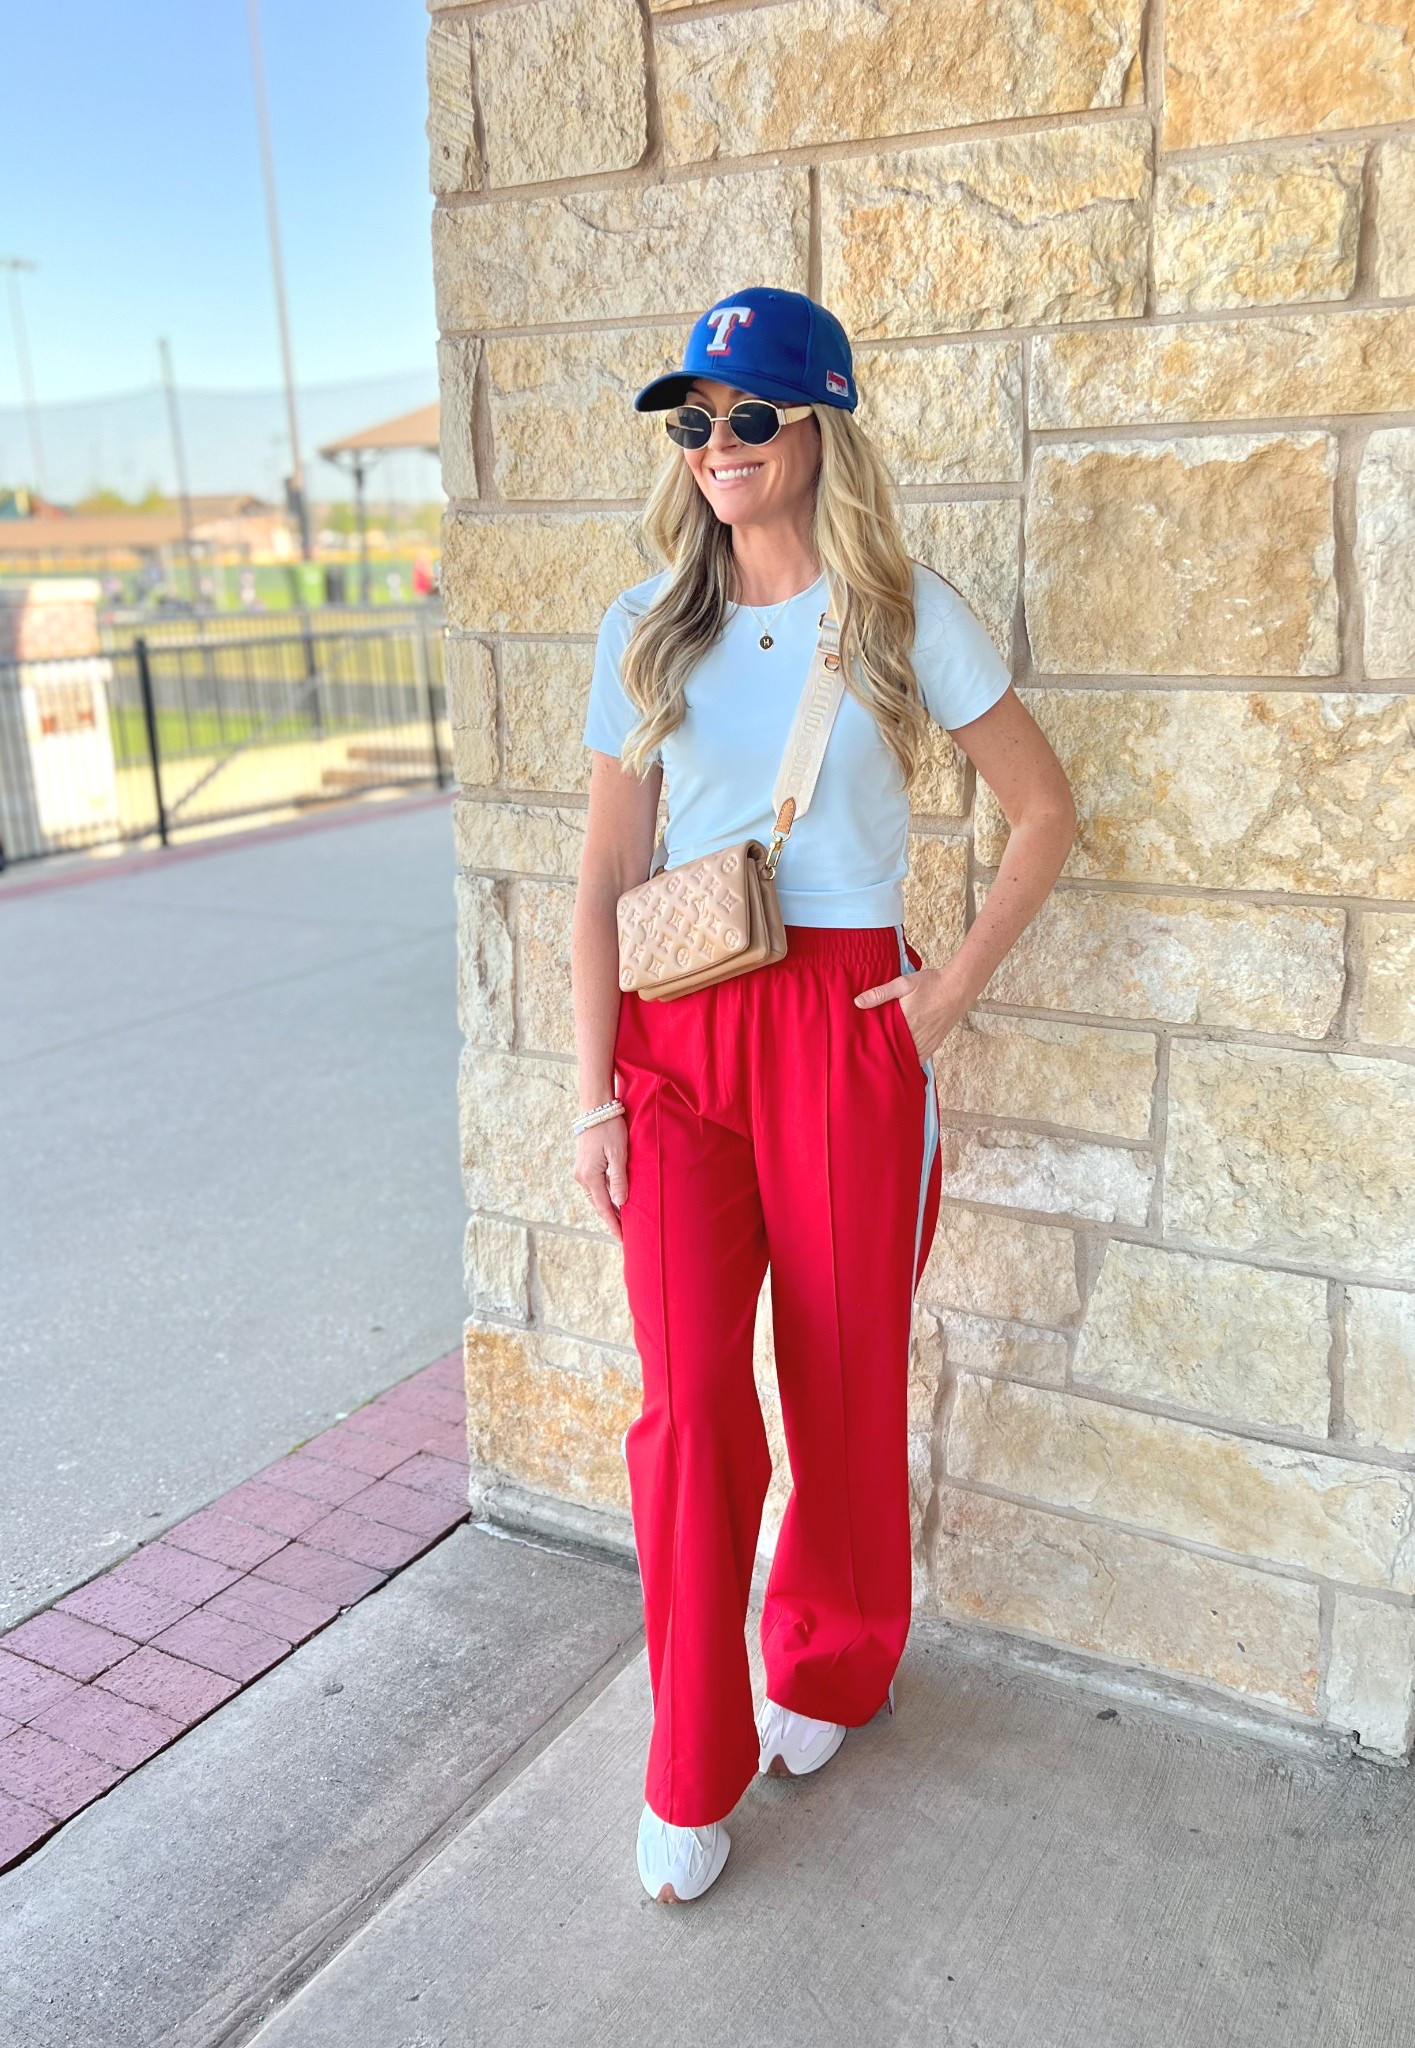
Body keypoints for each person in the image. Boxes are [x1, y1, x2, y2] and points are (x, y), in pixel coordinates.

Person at [570, 286, 1077, 1904]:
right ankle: (688, 1754)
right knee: (691, 1413)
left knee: (845, 1380)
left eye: (746, 418)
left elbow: (1045, 813)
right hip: (678, 1051)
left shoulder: (908, 612)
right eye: (692, 423)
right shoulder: (646, 625)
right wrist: (592, 1097)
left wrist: (937, 1000)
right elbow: (599, 883)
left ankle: (832, 1662)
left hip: (850, 1032)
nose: (714, 449)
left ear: (819, 428)